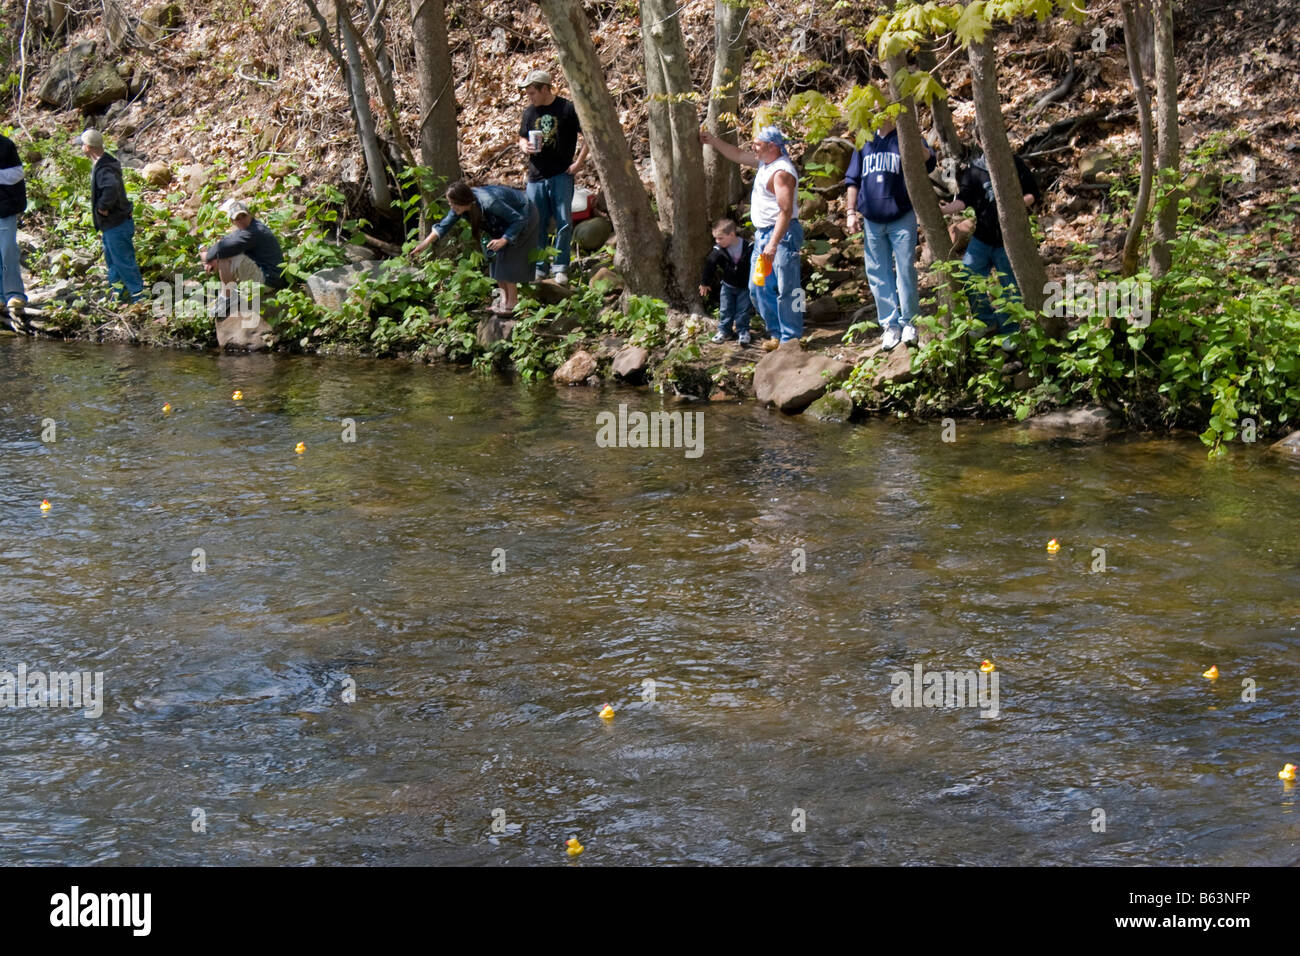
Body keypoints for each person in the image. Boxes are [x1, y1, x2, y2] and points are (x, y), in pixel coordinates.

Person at [699, 124, 803, 351]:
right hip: (763, 234)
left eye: (757, 143)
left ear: (772, 146)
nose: (752, 146)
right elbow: (736, 155)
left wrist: (774, 244)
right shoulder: (764, 162)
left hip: (782, 235)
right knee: (758, 286)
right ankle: (776, 332)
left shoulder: (781, 172)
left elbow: (785, 212)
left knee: (789, 287)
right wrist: (712, 140)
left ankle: (791, 338)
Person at [843, 116, 935, 351]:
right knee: (877, 272)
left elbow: (929, 160)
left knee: (904, 269)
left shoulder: (905, 135)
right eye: (872, 110)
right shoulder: (865, 140)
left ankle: (909, 322)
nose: (878, 114)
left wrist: (916, 143)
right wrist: (850, 212)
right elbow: (852, 180)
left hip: (901, 215)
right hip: (872, 219)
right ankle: (890, 324)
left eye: (881, 109)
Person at [939, 137, 1039, 350]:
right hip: (983, 237)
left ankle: (1011, 331)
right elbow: (963, 199)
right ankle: (985, 320)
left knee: (1008, 285)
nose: (988, 141)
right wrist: (945, 210)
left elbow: (1033, 193)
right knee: (968, 273)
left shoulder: (1013, 163)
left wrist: (1013, 205)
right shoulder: (974, 170)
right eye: (982, 138)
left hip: (1008, 239)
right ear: (978, 141)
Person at [411, 180, 540, 314]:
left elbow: (518, 219)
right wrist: (424, 244)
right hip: (503, 222)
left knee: (506, 258)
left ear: (463, 200)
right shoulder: (461, 207)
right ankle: (503, 300)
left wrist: (504, 239)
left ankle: (512, 302)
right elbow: (444, 225)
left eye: (453, 203)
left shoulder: (490, 202)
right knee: (494, 258)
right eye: (450, 203)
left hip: (525, 215)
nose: (451, 206)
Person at [518, 69, 587, 285]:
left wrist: (579, 163)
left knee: (563, 222)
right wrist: (524, 147)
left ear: (545, 88)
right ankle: (540, 267)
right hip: (535, 176)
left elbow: (589, 136)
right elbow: (521, 137)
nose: (530, 98)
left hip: (561, 174)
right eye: (528, 94)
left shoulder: (566, 109)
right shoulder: (529, 113)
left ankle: (560, 267)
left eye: (532, 93)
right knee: (535, 223)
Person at [79, 129, 143, 303]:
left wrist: (103, 207)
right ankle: (117, 295)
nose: (82, 148)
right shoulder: (104, 163)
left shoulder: (104, 167)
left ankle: (139, 296)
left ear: (89, 147)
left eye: (83, 145)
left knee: (123, 261)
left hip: (116, 223)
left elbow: (111, 187)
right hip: (111, 225)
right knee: (112, 261)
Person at [201, 199, 285, 315]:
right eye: (238, 219)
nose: (242, 221)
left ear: (249, 214)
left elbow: (221, 249)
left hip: (269, 281)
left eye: (243, 216)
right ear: (232, 221)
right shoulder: (248, 229)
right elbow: (226, 241)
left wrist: (207, 257)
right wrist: (212, 256)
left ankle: (229, 297)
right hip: (269, 277)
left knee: (224, 256)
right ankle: (228, 294)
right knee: (225, 252)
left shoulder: (255, 231)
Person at [699, 218, 755, 345]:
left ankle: (743, 331)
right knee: (725, 309)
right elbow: (710, 265)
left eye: (720, 238)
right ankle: (725, 331)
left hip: (744, 287)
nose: (717, 241)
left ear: (731, 234)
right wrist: (704, 282)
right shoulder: (718, 250)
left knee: (743, 310)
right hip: (727, 286)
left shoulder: (748, 247)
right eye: (715, 239)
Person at [0, 130, 28, 324]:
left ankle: (14, 295)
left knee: (8, 251)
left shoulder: (5, 145)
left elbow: (18, 174)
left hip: (4, 210)